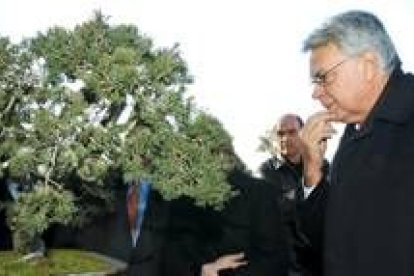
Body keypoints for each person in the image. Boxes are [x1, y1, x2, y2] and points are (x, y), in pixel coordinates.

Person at [301, 10, 414, 276]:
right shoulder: (353, 137)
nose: (316, 92)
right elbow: (326, 245)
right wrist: (313, 172)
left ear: (368, 65)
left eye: (323, 77)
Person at [260, 114, 329, 276]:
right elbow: (279, 208)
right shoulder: (267, 171)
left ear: (303, 134)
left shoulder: (323, 166)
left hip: (323, 259)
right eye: (280, 134)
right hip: (290, 263)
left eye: (291, 132)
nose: (285, 138)